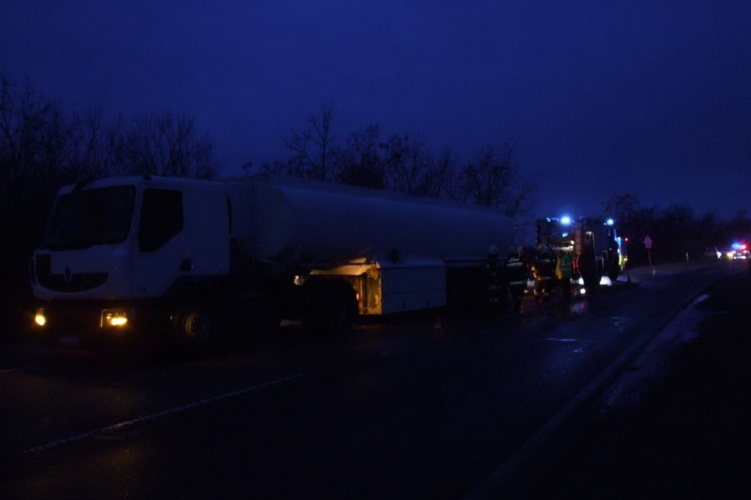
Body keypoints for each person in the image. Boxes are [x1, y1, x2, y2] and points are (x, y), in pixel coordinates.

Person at [505, 246, 530, 312]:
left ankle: (515, 306)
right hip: (521, 283)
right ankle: (517, 306)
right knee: (520, 295)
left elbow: (505, 273)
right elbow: (526, 270)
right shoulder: (521, 260)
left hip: (512, 283)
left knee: (514, 295)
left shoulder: (507, 262)